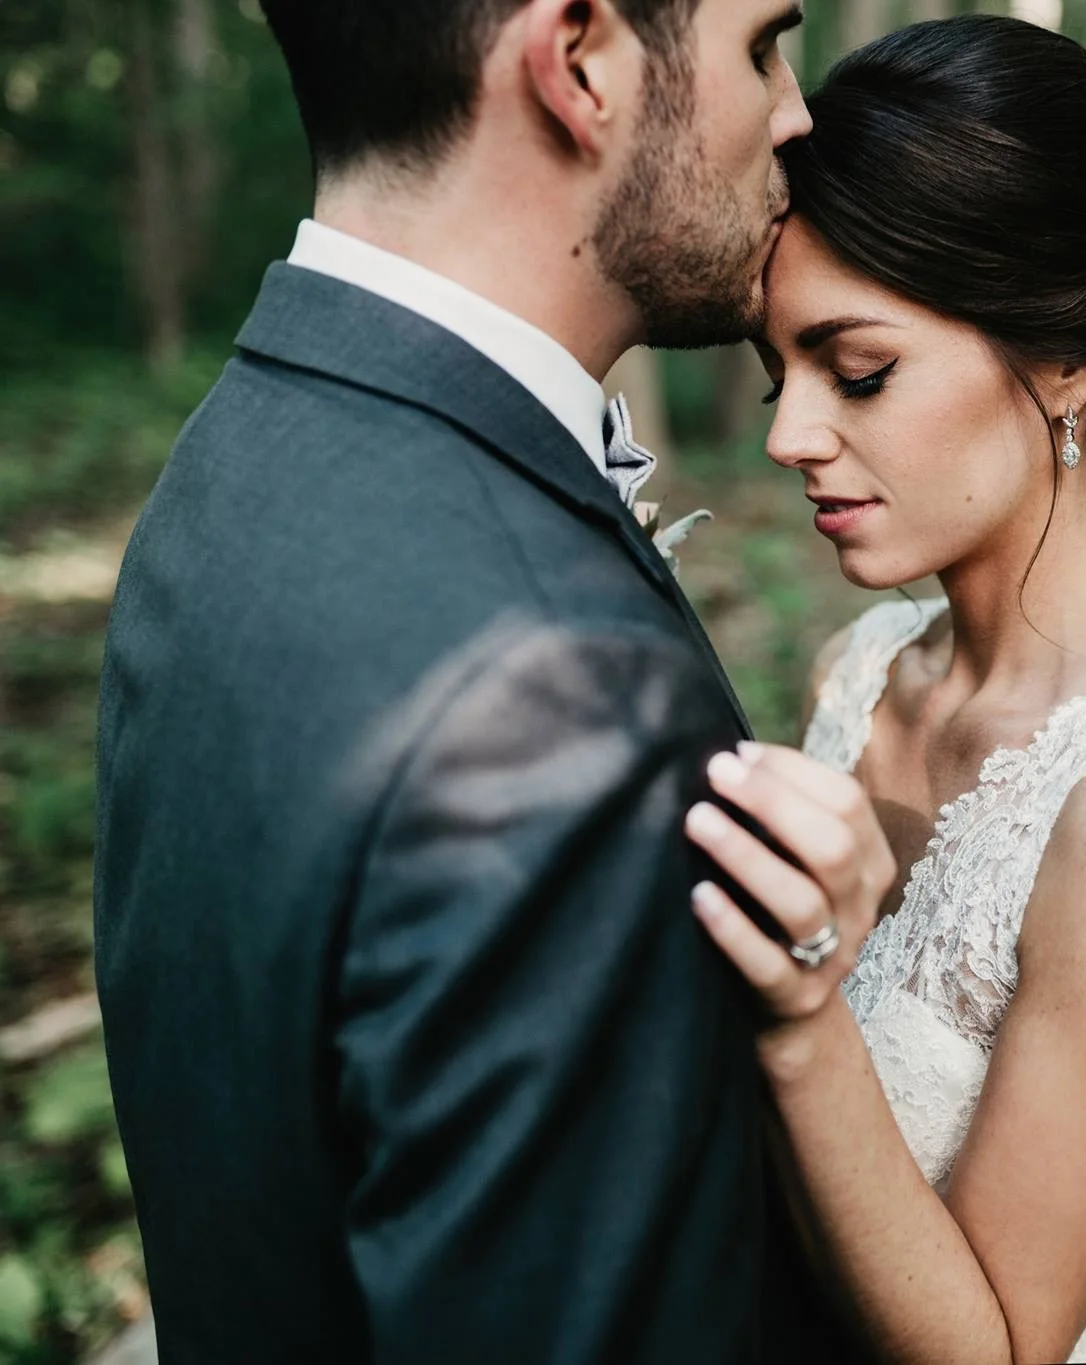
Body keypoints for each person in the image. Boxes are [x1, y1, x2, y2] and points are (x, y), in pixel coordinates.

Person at [92, 1, 876, 1360]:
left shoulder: (243, 453)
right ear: (581, 63)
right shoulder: (554, 710)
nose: (797, 112)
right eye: (762, 45)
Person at [681, 17, 1086, 1363]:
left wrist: (804, 1021)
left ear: (1068, 355)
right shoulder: (862, 678)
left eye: (859, 371)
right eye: (778, 372)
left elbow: (995, 1348)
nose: (790, 437)